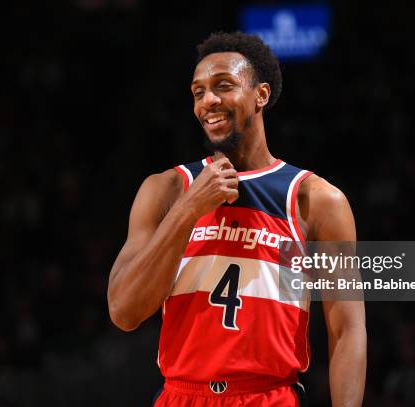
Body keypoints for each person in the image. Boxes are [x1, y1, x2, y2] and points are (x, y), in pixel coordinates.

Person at [107, 31, 366, 406]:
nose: (208, 101)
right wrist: (187, 211)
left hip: (269, 396)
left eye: (223, 86)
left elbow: (347, 330)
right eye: (198, 92)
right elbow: (123, 312)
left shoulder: (316, 199)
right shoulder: (166, 190)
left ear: (261, 95)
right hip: (181, 395)